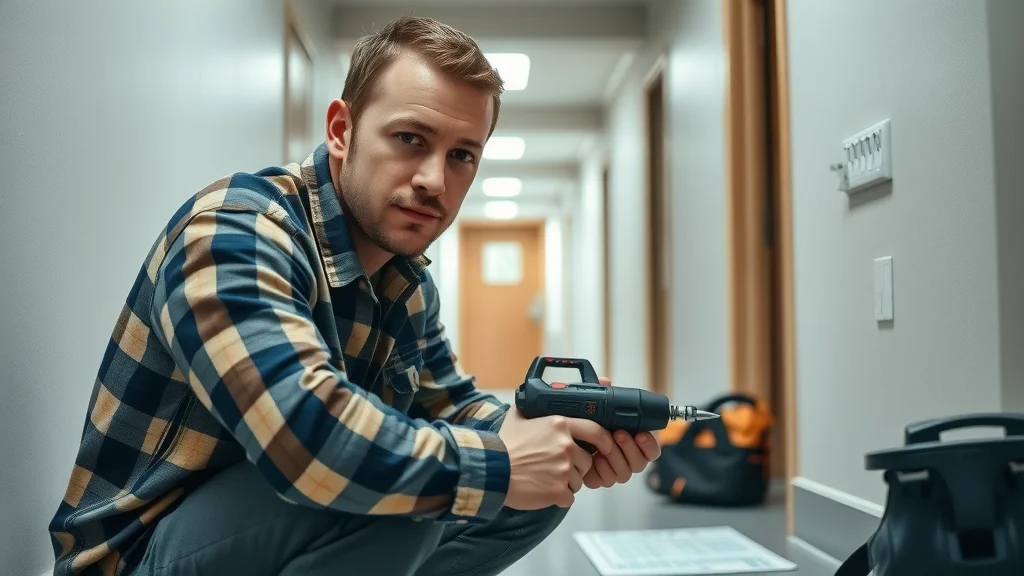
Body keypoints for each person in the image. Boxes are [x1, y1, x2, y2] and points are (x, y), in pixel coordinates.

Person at [48, 15, 661, 576]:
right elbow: (304, 437)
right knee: (409, 495)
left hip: (269, 533)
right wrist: (501, 463)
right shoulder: (235, 230)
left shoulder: (405, 280)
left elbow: (449, 406)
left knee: (535, 493)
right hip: (139, 556)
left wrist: (553, 432)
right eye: (411, 140)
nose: (433, 180)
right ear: (341, 130)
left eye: (462, 156)